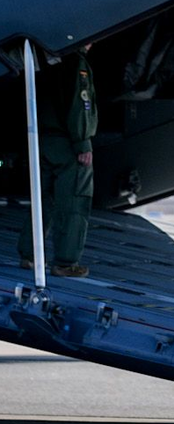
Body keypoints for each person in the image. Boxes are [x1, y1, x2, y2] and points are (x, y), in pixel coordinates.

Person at [18, 45, 97, 277]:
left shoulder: (45, 57)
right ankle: (65, 262)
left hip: (42, 138)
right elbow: (81, 105)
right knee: (74, 201)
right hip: (67, 143)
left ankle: (29, 255)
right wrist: (83, 142)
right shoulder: (77, 64)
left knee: (43, 201)